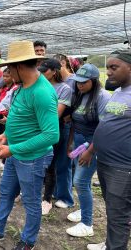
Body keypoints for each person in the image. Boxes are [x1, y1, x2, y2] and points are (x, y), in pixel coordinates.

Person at [0, 40, 59, 250]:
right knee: (6, 191)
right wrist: (5, 137)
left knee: (31, 201)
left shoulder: (42, 92)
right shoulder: (19, 88)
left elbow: (51, 135)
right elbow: (18, 117)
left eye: (9, 68)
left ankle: (28, 241)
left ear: (19, 66)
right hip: (15, 153)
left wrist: (13, 149)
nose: (7, 72)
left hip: (33, 157)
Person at [88, 49, 131, 250]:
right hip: (105, 162)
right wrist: (91, 149)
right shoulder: (119, 93)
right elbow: (106, 124)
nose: (109, 72)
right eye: (108, 68)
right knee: (113, 210)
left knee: (118, 215)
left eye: (114, 67)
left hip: (122, 167)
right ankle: (110, 244)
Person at [65, 64, 111, 237]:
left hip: (92, 144)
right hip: (78, 141)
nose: (80, 85)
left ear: (93, 81)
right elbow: (73, 122)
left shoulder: (102, 97)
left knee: (80, 181)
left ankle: (87, 224)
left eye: (84, 82)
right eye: (77, 82)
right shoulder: (79, 95)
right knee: (83, 181)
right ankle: (85, 208)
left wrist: (90, 151)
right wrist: (70, 143)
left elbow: (103, 128)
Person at [38, 58, 73, 215]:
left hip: (52, 129)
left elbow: (56, 114)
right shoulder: (37, 86)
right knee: (35, 162)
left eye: (45, 70)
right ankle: (32, 193)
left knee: (50, 165)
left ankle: (46, 200)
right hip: (36, 128)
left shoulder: (64, 89)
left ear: (54, 71)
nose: (42, 73)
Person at [51, 53, 77, 209]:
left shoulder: (73, 82)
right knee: (54, 161)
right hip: (57, 125)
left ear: (62, 64)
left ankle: (66, 197)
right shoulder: (55, 83)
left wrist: (72, 116)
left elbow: (82, 103)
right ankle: (55, 191)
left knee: (64, 162)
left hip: (67, 126)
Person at [0, 68, 19, 170]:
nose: (5, 78)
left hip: (8, 116)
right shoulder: (5, 88)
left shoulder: (15, 88)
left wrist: (8, 118)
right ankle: (2, 162)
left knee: (9, 141)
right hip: (2, 114)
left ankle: (5, 163)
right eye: (4, 76)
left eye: (7, 76)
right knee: (2, 137)